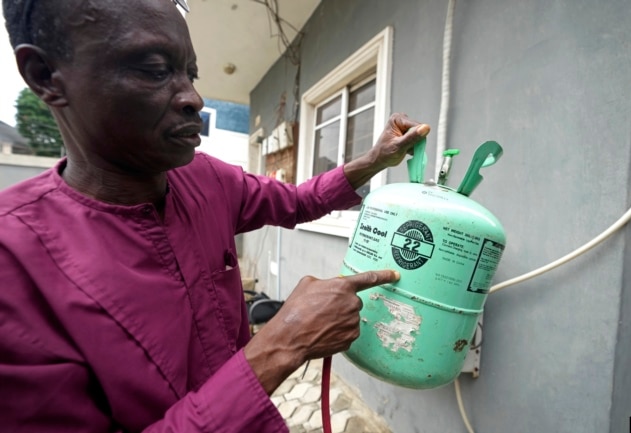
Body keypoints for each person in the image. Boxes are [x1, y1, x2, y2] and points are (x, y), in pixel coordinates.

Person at [0, 0, 431, 431]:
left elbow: (298, 200)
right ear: (45, 76)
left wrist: (373, 161)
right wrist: (281, 345)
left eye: (191, 73)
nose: (194, 98)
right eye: (154, 69)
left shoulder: (205, 178)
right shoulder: (14, 264)